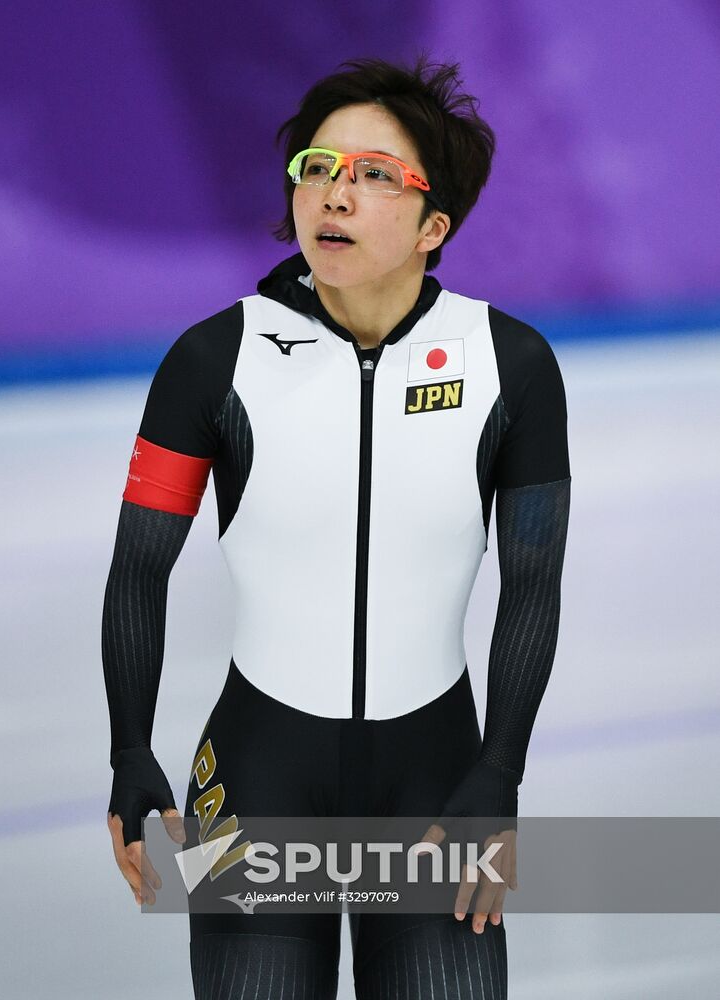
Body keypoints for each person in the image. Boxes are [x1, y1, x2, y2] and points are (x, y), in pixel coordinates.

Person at [102, 55, 571, 999]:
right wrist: (127, 748)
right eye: (319, 167)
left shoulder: (508, 364)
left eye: (372, 174)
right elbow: (139, 569)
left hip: (436, 787)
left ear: (434, 226)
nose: (335, 192)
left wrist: (501, 773)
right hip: (257, 773)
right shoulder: (213, 359)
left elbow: (533, 582)